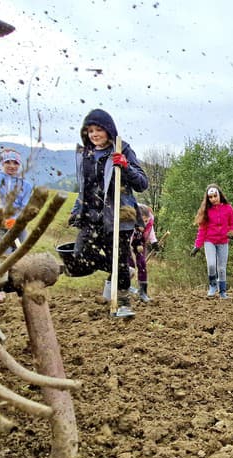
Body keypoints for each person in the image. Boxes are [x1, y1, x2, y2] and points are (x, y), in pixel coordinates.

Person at [67, 109, 148, 318]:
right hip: (91, 216)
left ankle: (122, 304)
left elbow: (142, 183)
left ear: (108, 130)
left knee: (118, 258)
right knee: (79, 257)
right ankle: (122, 272)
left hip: (118, 216)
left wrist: (125, 166)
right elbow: (84, 187)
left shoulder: (122, 149)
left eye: (98, 129)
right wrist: (77, 210)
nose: (94, 134)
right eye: (90, 130)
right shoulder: (85, 154)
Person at [192, 184, 233, 299]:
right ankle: (212, 285)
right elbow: (202, 230)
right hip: (209, 241)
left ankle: (222, 291)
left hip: (223, 241)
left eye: (215, 196)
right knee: (211, 264)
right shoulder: (206, 211)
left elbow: (232, 223)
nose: (213, 199)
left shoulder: (228, 208)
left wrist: (232, 232)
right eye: (210, 197)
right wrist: (197, 245)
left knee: (221, 268)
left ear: (219, 195)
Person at [0, 147, 33, 247]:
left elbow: (25, 208)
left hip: (17, 225)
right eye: (8, 162)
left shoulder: (26, 186)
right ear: (2, 163)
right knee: (4, 254)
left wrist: (15, 220)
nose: (12, 166)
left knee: (23, 250)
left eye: (15, 163)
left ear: (19, 164)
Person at [128, 204, 157, 303]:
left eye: (146, 220)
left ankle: (143, 292)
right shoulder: (130, 223)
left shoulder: (149, 221)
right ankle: (125, 287)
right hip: (128, 243)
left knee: (142, 264)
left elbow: (150, 231)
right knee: (130, 266)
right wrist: (130, 249)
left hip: (140, 243)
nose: (144, 223)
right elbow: (128, 238)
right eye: (142, 221)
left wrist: (154, 242)